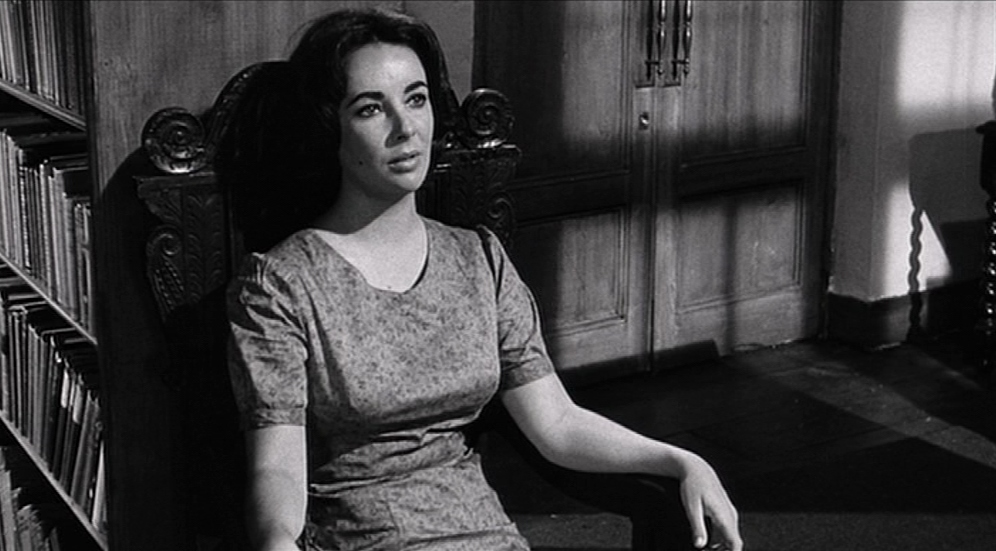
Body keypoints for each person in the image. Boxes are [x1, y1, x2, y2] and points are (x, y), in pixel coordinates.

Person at [223, 7, 742, 551]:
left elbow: (557, 424)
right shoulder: (281, 286)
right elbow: (276, 471)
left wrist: (682, 461)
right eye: (371, 109)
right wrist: (276, 541)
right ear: (331, 128)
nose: (405, 129)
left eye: (416, 99)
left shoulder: (479, 259)